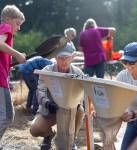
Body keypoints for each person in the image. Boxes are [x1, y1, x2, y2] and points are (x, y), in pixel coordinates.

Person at [30, 47, 84, 150]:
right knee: (35, 130)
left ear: (72, 57)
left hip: (69, 110)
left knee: (80, 110)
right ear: (55, 57)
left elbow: (81, 92)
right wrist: (47, 103)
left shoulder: (78, 73)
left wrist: (77, 103)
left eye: (67, 57)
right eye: (60, 58)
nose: (64, 61)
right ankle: (49, 135)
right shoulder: (47, 71)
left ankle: (71, 141)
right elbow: (40, 90)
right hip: (51, 109)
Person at [116, 42, 137, 150]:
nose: (128, 66)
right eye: (125, 61)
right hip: (134, 119)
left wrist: (132, 114)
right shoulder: (122, 75)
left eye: (131, 62)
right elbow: (112, 99)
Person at [0, 4, 26, 142]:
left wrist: (12, 64)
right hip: (0, 80)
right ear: (8, 19)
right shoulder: (5, 27)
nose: (18, 27)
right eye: (17, 23)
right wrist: (17, 55)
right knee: (7, 116)